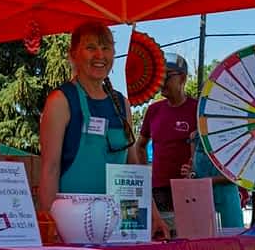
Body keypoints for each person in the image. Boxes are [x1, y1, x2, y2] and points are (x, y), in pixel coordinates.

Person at [38, 21, 167, 239]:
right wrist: (47, 224)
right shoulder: (60, 100)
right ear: (73, 55)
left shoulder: (121, 104)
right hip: (73, 226)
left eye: (106, 48)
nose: (100, 55)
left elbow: (133, 168)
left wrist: (154, 216)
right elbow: (49, 168)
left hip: (121, 226)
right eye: (90, 48)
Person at [137, 53, 197, 230]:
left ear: (183, 78)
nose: (162, 82)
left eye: (167, 76)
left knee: (188, 238)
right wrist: (144, 175)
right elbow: (140, 145)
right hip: (158, 191)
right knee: (163, 237)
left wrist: (195, 168)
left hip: (189, 189)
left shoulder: (198, 109)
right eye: (160, 77)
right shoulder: (153, 110)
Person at [185, 131, 244, 229]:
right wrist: (190, 174)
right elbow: (193, 170)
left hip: (226, 200)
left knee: (229, 240)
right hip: (200, 199)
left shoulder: (233, 134)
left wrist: (204, 181)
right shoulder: (195, 136)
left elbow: (237, 176)